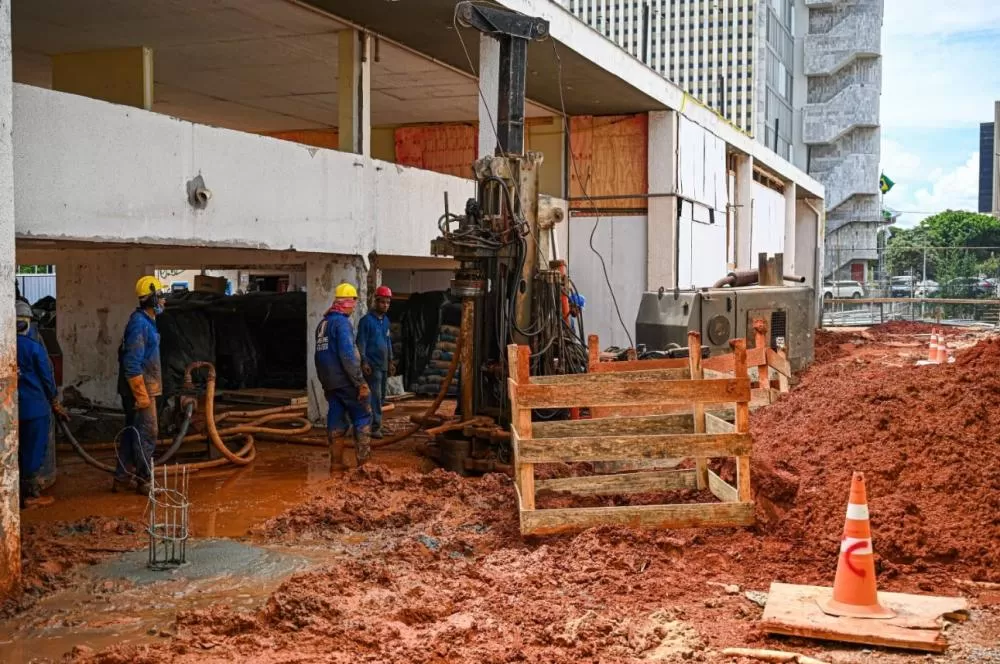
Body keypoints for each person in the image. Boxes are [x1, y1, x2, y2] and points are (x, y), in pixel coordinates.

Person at [114, 276, 167, 495]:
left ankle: (122, 477)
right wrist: (141, 395)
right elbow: (131, 363)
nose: (164, 301)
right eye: (161, 296)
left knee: (132, 433)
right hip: (140, 390)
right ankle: (144, 481)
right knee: (147, 433)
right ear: (152, 298)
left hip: (142, 388)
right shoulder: (139, 324)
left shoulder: (146, 321)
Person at [314, 282, 372, 473]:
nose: (355, 306)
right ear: (347, 302)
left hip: (331, 384)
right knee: (363, 415)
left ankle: (336, 464)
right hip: (346, 381)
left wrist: (325, 383)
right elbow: (348, 355)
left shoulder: (323, 324)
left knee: (336, 418)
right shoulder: (341, 323)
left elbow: (319, 357)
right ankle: (365, 466)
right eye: (354, 302)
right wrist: (360, 383)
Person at [16, 301, 68, 508]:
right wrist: (55, 400)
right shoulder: (34, 348)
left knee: (16, 449)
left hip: (11, 409)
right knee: (34, 448)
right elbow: (48, 377)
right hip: (36, 408)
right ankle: (31, 495)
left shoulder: (5, 347)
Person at [357, 285, 394, 439]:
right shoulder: (366, 321)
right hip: (373, 365)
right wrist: (364, 361)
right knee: (375, 397)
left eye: (388, 302)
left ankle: (377, 424)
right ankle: (374, 427)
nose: (385, 305)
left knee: (382, 396)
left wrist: (391, 361)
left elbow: (388, 341)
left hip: (383, 364)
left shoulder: (386, 321)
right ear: (376, 301)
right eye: (383, 302)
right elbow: (361, 342)